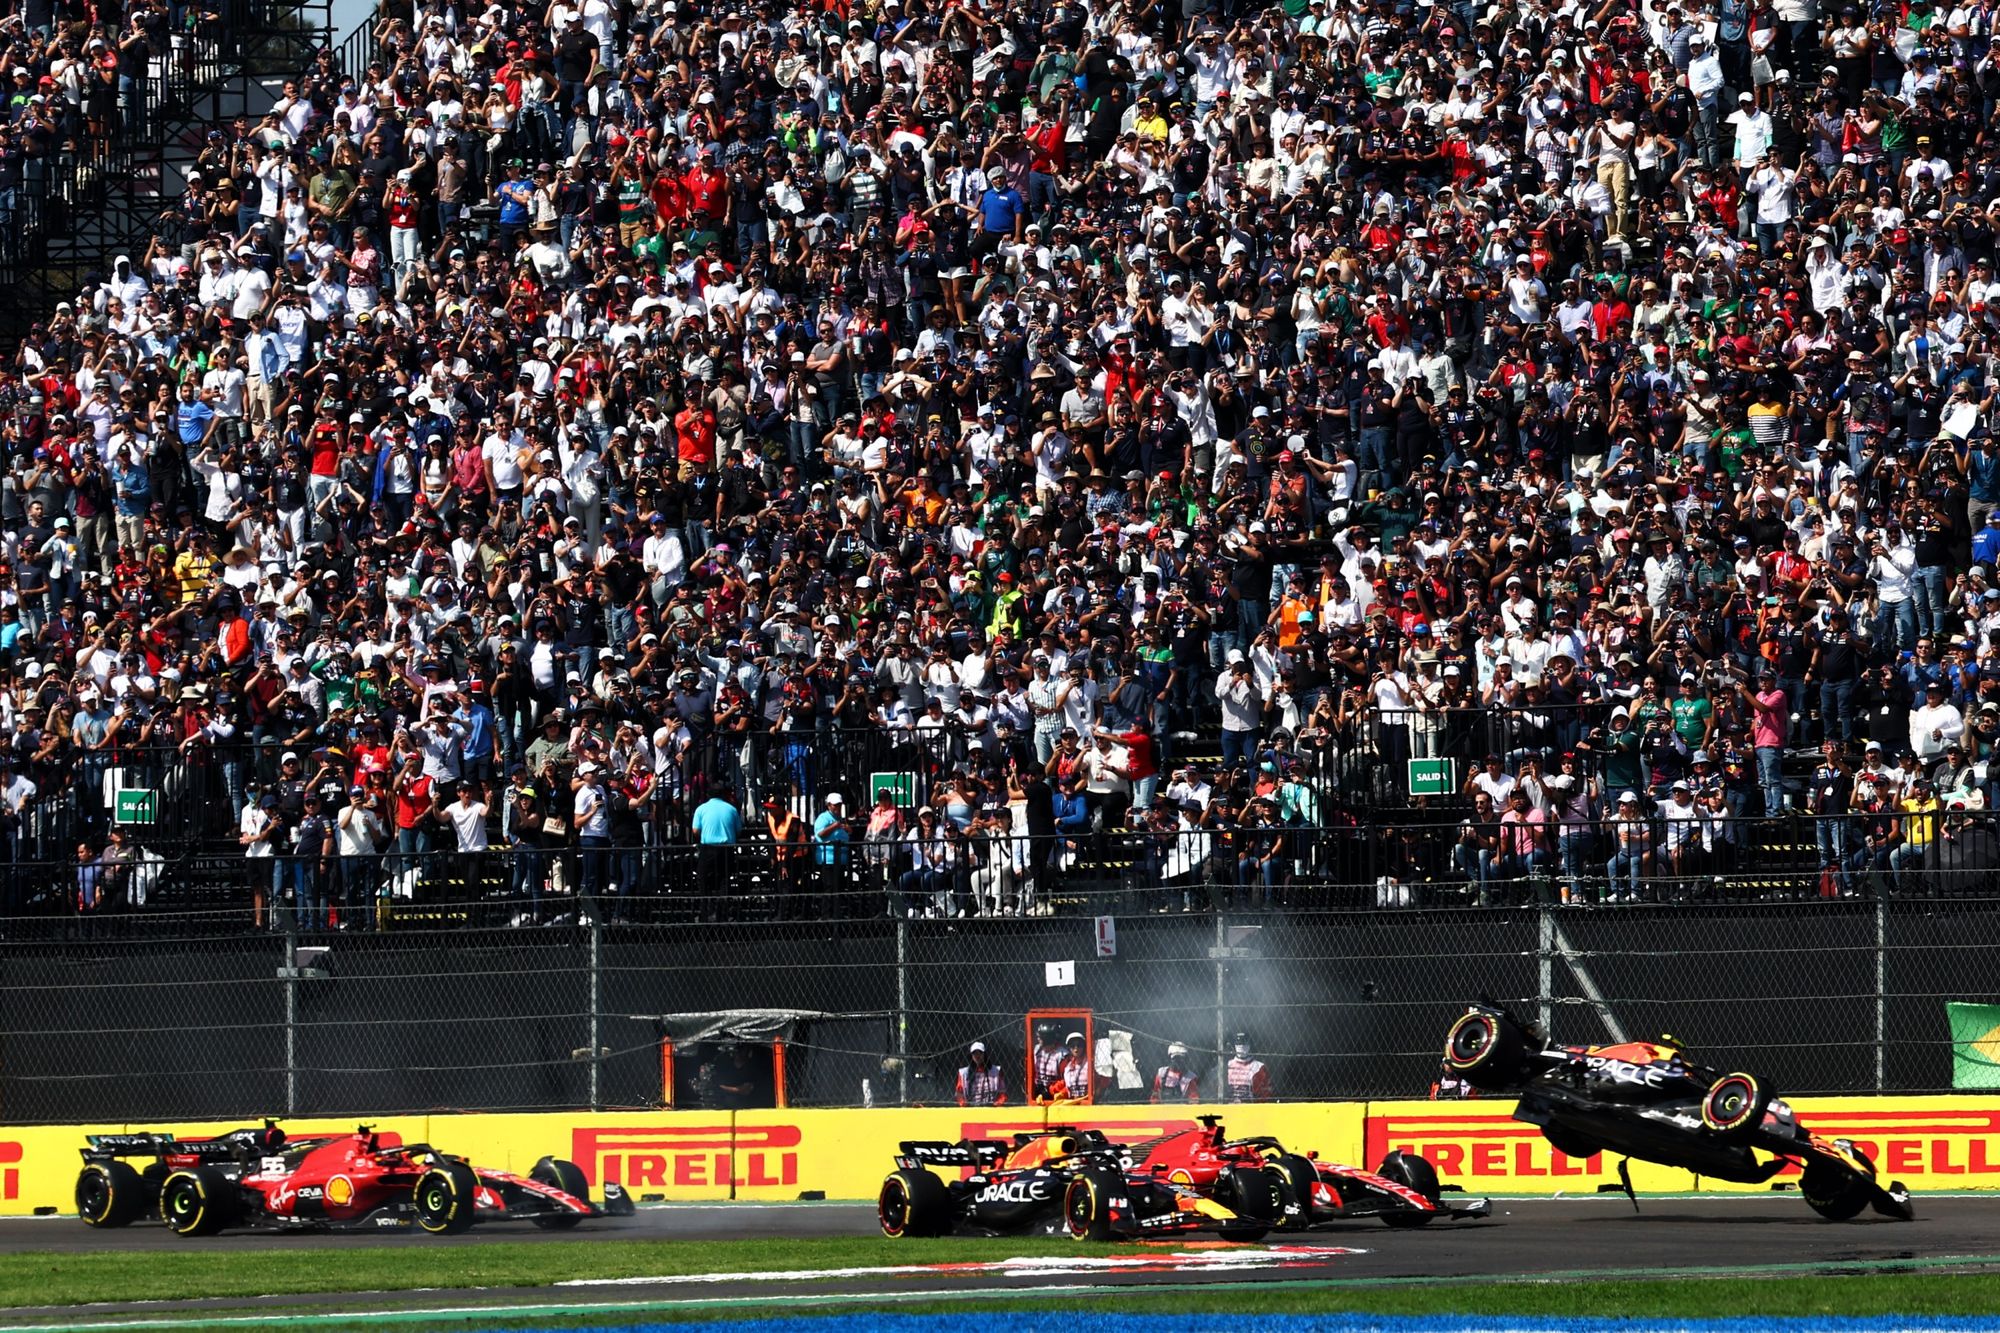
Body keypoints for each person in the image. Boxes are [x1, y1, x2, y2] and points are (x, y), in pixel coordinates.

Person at [955, 1040, 1007, 1106]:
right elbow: (959, 1093)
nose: (977, 1055)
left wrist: (997, 1105)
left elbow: (1002, 1092)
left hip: (992, 1109)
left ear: (984, 1054)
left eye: (980, 1052)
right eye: (974, 1053)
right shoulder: (963, 1073)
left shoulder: (996, 1071)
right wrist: (964, 1104)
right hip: (971, 1109)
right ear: (971, 1056)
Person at [1223, 1033, 1272, 1102]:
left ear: (1250, 1044)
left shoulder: (1259, 1067)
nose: (1241, 1045)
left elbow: (1266, 1093)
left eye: (1244, 1042)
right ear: (1234, 1045)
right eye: (1238, 1042)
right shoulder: (1226, 1066)